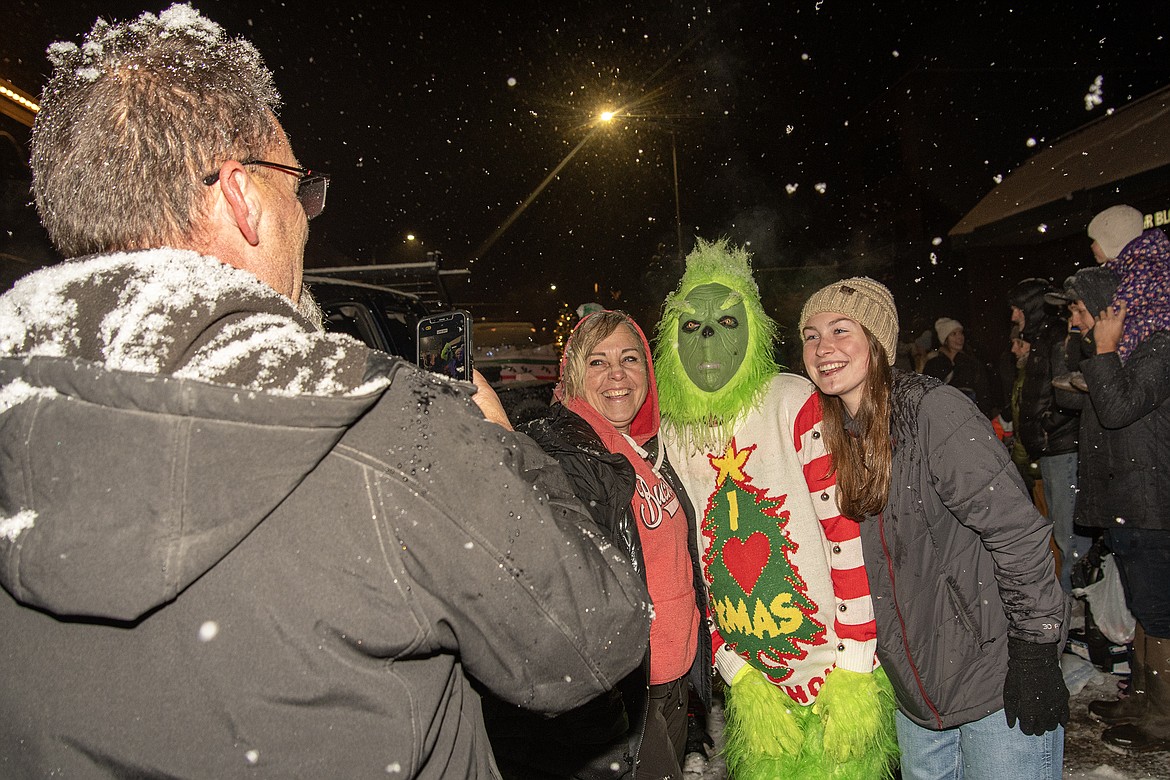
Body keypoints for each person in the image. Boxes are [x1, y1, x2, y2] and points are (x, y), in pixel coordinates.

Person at [0, 6, 653, 777]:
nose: (307, 218)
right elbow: (591, 636)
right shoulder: (386, 428)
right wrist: (498, 449)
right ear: (241, 197)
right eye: (298, 188)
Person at [799, 277, 1069, 780]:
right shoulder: (834, 437)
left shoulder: (933, 413)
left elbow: (1017, 532)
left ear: (878, 341)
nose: (823, 348)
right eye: (811, 336)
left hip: (992, 679)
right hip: (916, 699)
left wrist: (1035, 649)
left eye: (840, 330)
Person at [653, 239, 897, 780]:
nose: (710, 339)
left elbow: (845, 529)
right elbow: (695, 561)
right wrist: (731, 665)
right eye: (691, 327)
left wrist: (856, 659)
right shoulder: (671, 432)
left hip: (835, 666)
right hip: (754, 680)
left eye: (725, 320)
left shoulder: (792, 399)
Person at [486, 310, 709, 779]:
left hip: (672, 676)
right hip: (626, 691)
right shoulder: (567, 452)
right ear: (572, 374)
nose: (617, 375)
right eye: (597, 362)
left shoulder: (647, 449)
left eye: (630, 358)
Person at [1050, 265, 1170, 756]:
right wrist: (1091, 357)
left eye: (1079, 310)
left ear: (1107, 310)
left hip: (1150, 502)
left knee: (1159, 611)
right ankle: (1144, 698)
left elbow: (1119, 409)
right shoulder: (1122, 349)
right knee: (1145, 605)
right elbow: (1086, 401)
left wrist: (1103, 354)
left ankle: (1163, 717)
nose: (1074, 320)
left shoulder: (1157, 346)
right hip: (1124, 503)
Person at [1008, 277, 1087, 592]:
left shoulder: (1055, 336)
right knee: (1059, 533)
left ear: (1030, 306)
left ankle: (1074, 610)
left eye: (1017, 308)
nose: (1014, 316)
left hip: (1062, 449)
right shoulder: (1042, 338)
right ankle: (1068, 607)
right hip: (1050, 450)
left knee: (1068, 537)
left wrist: (1045, 425)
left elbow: (1070, 389)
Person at [1087, 204, 1170, 363]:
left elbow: (1127, 301)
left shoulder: (1141, 265)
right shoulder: (1135, 262)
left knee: (1127, 329)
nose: (1091, 246)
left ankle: (1114, 365)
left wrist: (1112, 318)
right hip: (1156, 316)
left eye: (1095, 241)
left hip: (1158, 318)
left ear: (1112, 240)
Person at [922, 317, 994, 417]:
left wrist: (984, 418)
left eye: (961, 333)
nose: (960, 337)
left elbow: (983, 395)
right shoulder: (934, 364)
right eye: (954, 334)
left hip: (970, 418)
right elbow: (927, 395)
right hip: (944, 419)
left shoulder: (972, 363)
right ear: (945, 339)